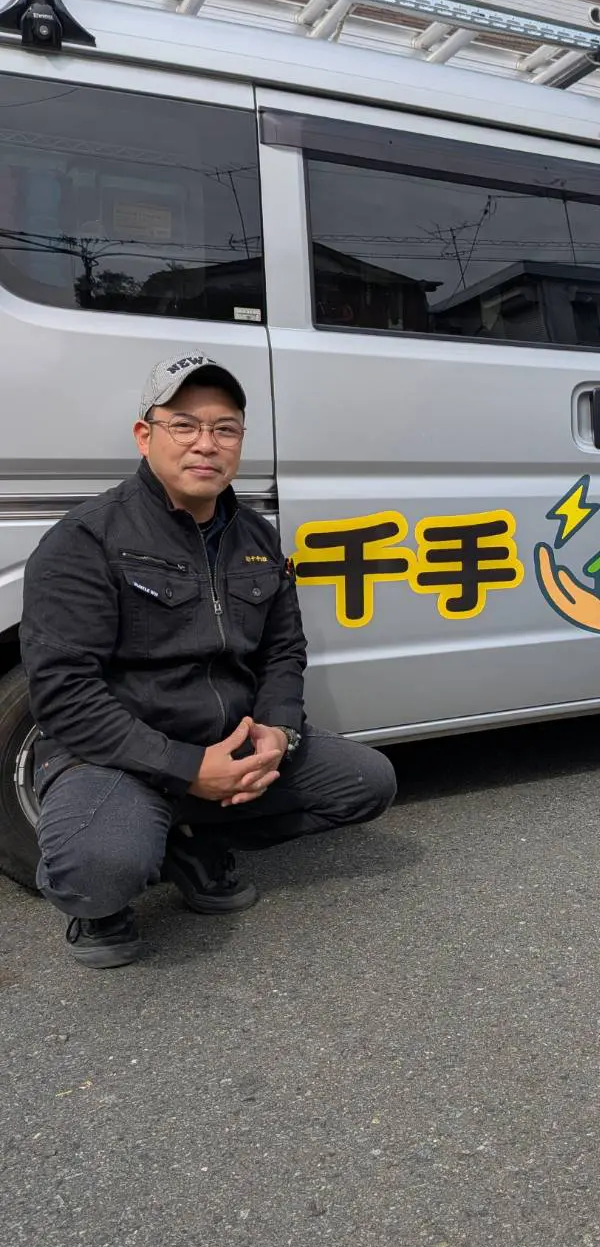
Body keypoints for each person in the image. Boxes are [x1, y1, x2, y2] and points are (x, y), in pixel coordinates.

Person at [20, 353, 397, 968]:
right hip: (119, 757)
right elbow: (64, 694)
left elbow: (283, 650)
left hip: (229, 741)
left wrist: (277, 728)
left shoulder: (257, 537)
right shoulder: (84, 540)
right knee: (99, 869)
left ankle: (187, 839)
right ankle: (108, 891)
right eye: (185, 425)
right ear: (146, 436)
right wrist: (187, 766)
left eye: (225, 429)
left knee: (366, 783)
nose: (207, 444)